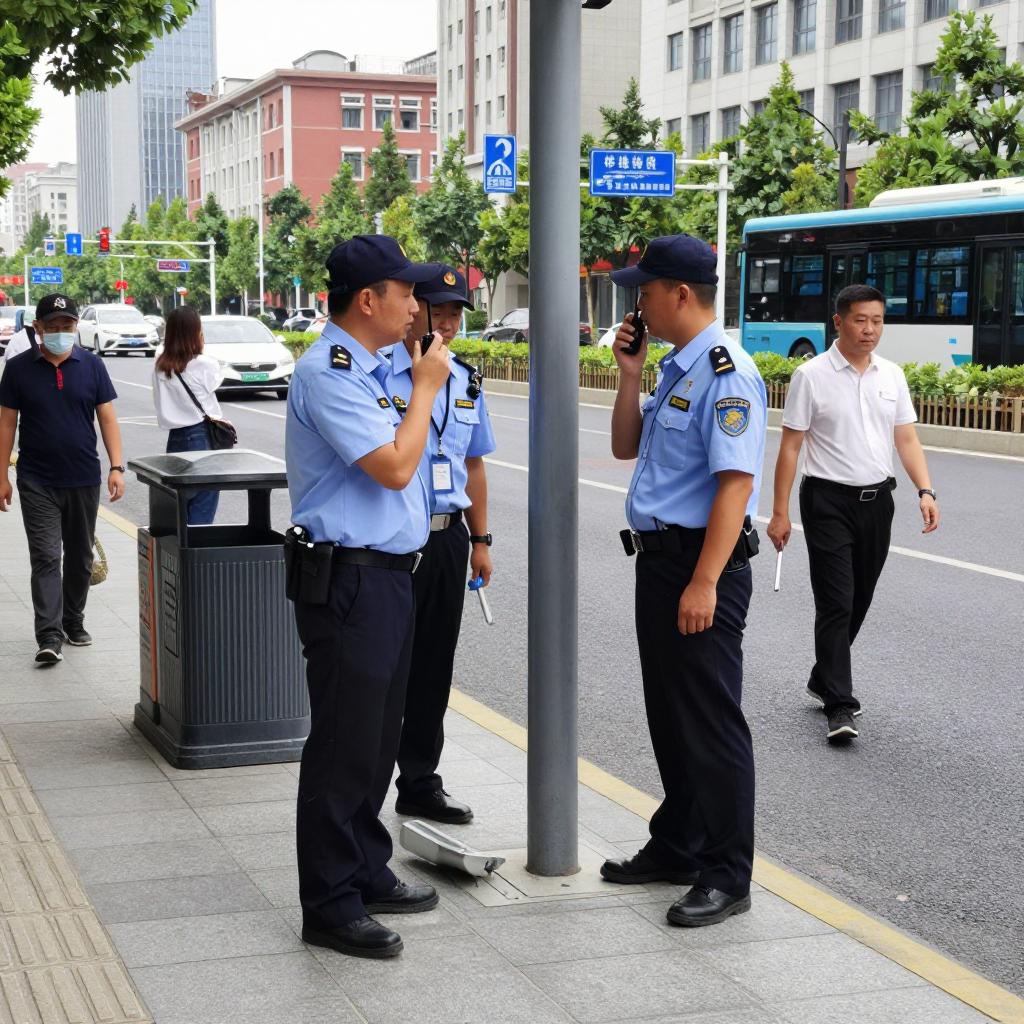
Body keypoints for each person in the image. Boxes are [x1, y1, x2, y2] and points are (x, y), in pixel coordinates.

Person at [285, 235, 450, 960]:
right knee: (344, 742)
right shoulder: (331, 371)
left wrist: (415, 382)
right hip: (348, 575)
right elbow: (391, 466)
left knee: (379, 737)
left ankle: (365, 865)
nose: (417, 305)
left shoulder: (381, 365)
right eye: (406, 293)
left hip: (387, 574)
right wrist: (425, 391)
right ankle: (328, 901)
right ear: (368, 300)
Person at [600, 235, 766, 928]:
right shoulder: (676, 366)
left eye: (645, 289)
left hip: (702, 565)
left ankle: (728, 873)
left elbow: (735, 486)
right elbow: (624, 445)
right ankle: (677, 844)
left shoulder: (727, 372)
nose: (638, 302)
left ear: (679, 293)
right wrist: (631, 375)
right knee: (671, 716)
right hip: (661, 561)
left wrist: (706, 581)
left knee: (710, 722)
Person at [767, 284, 940, 743]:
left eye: (878, 321)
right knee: (837, 601)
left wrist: (926, 490)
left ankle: (823, 674)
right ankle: (839, 705)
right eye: (861, 320)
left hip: (877, 502)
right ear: (839, 321)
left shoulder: (892, 376)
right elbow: (790, 446)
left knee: (860, 597)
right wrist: (779, 513)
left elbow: (906, 438)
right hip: (825, 501)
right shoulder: (811, 375)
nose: (870, 330)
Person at [383, 264, 496, 825]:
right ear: (411, 309)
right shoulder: (378, 376)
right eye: (439, 310)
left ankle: (421, 781)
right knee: (387, 666)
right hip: (394, 542)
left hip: (448, 539)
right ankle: (370, 781)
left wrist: (481, 539)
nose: (449, 323)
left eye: (457, 313)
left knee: (433, 665)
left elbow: (472, 464)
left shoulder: (466, 379)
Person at [0, 293, 126, 664]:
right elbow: (7, 422)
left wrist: (117, 466)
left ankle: (73, 618)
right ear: (38, 329)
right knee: (45, 556)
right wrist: (2, 476)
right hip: (36, 478)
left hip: (84, 476)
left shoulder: (92, 366)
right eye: (52, 326)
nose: (60, 332)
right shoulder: (19, 368)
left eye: (67, 326)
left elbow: (107, 417)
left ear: (76, 327)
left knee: (80, 558)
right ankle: (49, 635)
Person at [152, 307, 226, 525]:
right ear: (196, 331)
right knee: (202, 511)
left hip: (174, 441)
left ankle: (178, 558)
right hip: (201, 438)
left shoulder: (160, 365)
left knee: (177, 512)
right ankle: (196, 558)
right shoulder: (205, 364)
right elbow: (213, 386)